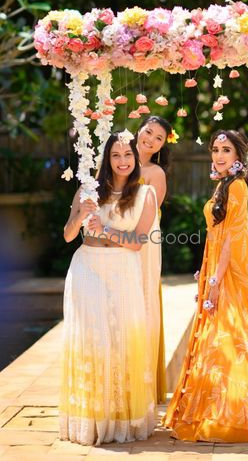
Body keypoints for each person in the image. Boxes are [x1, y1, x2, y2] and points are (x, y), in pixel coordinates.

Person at [163, 130, 248, 442]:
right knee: (215, 338)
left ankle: (230, 418)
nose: (219, 155)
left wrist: (216, 280)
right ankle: (210, 411)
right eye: (215, 149)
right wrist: (205, 268)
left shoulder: (238, 187)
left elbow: (231, 237)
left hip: (231, 273)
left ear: (238, 156)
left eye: (226, 150)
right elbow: (216, 233)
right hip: (216, 266)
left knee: (228, 338)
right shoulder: (224, 184)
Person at [59, 131, 161, 446]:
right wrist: (82, 215)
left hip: (122, 270)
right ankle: (91, 419)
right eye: (115, 155)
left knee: (120, 341)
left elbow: (138, 242)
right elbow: (66, 235)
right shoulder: (88, 190)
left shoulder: (146, 195)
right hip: (87, 267)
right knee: (93, 340)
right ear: (107, 158)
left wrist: (104, 228)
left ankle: (121, 419)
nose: (122, 161)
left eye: (127, 155)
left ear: (135, 158)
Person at [136, 114, 175, 404]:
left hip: (144, 239)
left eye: (158, 138)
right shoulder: (116, 158)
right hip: (113, 235)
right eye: (148, 132)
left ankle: (143, 378)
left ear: (162, 145)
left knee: (142, 298)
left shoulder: (155, 172)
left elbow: (151, 214)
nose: (150, 139)